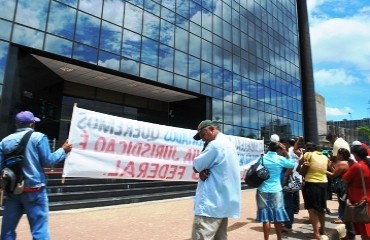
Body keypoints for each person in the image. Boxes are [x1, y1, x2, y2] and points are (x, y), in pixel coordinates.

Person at [0, 111, 72, 240]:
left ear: (17, 124)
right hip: (34, 190)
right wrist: (63, 150)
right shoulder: (38, 137)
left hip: (13, 191)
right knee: (39, 231)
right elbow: (49, 161)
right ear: (32, 123)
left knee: (7, 232)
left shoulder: (5, 141)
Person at [191, 120, 241, 240]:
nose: (203, 139)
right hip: (223, 204)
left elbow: (196, 166)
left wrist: (201, 169)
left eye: (203, 135)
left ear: (212, 129)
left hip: (210, 204)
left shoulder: (215, 145)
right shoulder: (229, 144)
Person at [256, 141, 295, 240]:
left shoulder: (262, 158)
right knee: (277, 216)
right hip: (276, 189)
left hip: (262, 189)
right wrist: (286, 152)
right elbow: (291, 164)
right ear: (278, 149)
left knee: (266, 218)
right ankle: (279, 238)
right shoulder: (280, 159)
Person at [300, 142, 329, 240]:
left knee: (312, 209)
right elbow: (327, 166)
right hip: (323, 183)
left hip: (311, 183)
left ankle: (316, 234)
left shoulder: (309, 154)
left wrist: (303, 153)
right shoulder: (325, 157)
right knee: (322, 207)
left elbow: (300, 164)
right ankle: (323, 230)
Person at [342, 145, 370, 240]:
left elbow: (345, 178)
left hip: (359, 201)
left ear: (356, 155)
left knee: (364, 229)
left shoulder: (357, 166)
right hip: (367, 198)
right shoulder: (367, 164)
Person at [280, 137, 303, 233]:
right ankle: (288, 222)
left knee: (286, 203)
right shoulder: (299, 152)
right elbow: (299, 164)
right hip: (296, 179)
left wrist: (285, 177)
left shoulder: (288, 152)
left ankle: (287, 224)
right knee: (290, 202)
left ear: (286, 143)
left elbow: (289, 166)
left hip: (288, 179)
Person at [326, 148, 351, 224]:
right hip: (345, 184)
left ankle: (342, 217)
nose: (336, 155)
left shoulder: (341, 163)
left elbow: (333, 175)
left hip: (342, 185)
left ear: (341, 155)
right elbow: (337, 173)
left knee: (342, 201)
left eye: (338, 154)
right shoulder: (347, 162)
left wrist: (322, 170)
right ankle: (341, 216)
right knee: (342, 201)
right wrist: (330, 167)